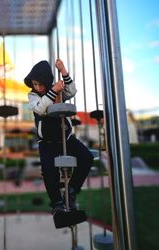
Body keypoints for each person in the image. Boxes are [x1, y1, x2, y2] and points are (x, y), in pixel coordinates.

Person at [24, 59, 94, 216]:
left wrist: (63, 71)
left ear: (47, 82)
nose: (38, 87)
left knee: (86, 158)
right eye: (35, 84)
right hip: (46, 142)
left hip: (66, 137)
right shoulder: (33, 95)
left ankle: (71, 191)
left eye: (41, 84)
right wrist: (53, 91)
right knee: (49, 170)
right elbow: (40, 108)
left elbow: (72, 91)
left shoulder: (57, 89)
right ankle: (57, 203)